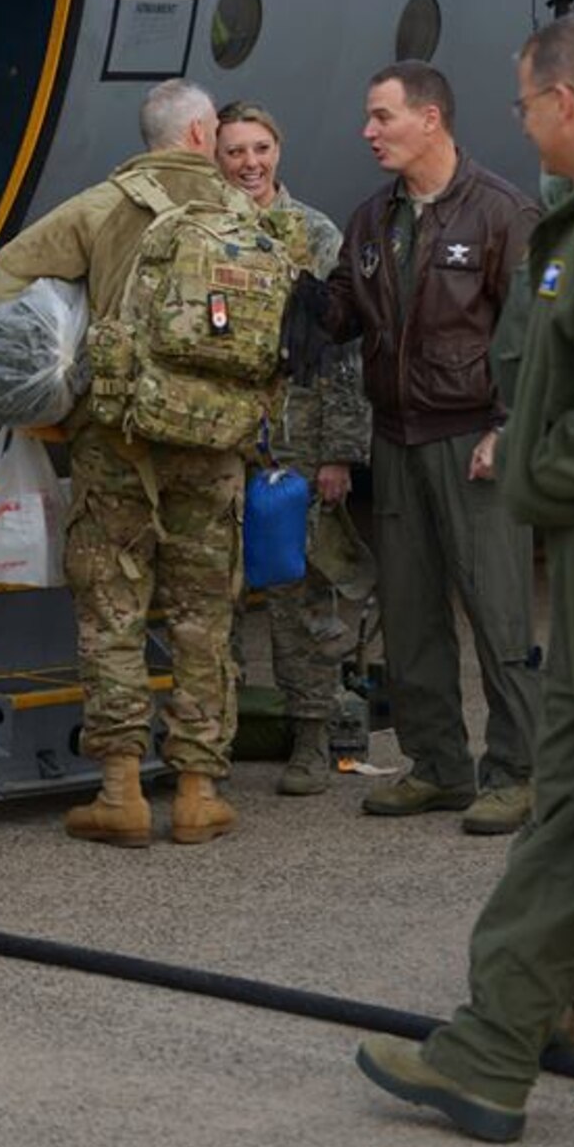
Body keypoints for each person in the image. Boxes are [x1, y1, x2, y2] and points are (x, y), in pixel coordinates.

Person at [356, 13, 574, 1144]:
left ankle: (497, 1038)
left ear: (565, 100)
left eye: (525, 104)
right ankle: (495, 1044)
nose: (519, 124)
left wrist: (533, 477)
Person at [0, 79, 277, 849]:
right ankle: (198, 791)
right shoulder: (254, 215)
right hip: (215, 445)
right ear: (202, 133)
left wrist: (56, 376)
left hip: (119, 440)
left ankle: (119, 791)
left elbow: (5, 278)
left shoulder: (101, 208)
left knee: (112, 611)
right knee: (202, 615)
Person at [315, 62, 539, 834]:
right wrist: (309, 307)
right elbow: (346, 306)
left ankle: (516, 772)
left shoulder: (503, 213)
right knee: (409, 615)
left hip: (470, 437)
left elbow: (532, 336)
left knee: (498, 613)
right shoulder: (372, 218)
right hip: (397, 438)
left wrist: (508, 429)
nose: (367, 132)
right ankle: (437, 766)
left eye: (381, 117)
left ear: (430, 118)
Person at [215, 102, 372, 795]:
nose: (249, 164)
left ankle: (310, 736)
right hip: (221, 436)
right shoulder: (202, 232)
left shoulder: (314, 234)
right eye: (234, 151)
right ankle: (209, 737)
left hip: (298, 442)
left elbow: (342, 351)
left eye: (260, 148)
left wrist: (338, 452)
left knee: (299, 593)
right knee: (211, 592)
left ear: (278, 150)